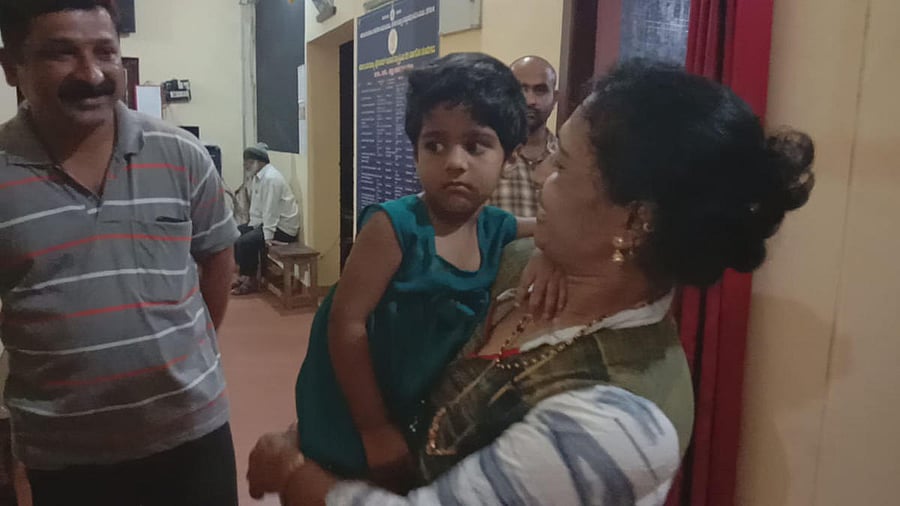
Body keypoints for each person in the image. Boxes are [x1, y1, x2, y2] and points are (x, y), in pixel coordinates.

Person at [248, 60, 815, 505]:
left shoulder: (617, 423)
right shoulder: (522, 264)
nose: (541, 182)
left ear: (635, 221)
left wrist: (294, 473)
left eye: (561, 167)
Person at [0, 2, 239, 505]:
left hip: (192, 437)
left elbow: (217, 260)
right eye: (62, 53)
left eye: (105, 52)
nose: (91, 74)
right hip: (64, 456)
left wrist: (180, 355)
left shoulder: (181, 155)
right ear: (11, 67)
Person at [291, 53, 543, 487]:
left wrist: (553, 254)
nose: (455, 162)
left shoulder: (495, 228)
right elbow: (345, 323)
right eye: (435, 145)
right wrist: (374, 428)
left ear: (510, 158)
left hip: (416, 411)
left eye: (476, 145)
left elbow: (552, 227)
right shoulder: (394, 227)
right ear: (416, 151)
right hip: (353, 409)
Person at [489, 55, 559, 217]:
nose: (530, 100)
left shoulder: (568, 160)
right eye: (521, 89)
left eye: (540, 90)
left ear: (555, 98)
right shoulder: (486, 155)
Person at [232, 142, 301, 295]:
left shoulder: (271, 179)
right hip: (269, 224)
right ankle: (244, 275)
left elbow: (271, 211)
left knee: (246, 242)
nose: (246, 166)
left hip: (283, 228)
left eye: (249, 162)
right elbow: (257, 208)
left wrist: (267, 237)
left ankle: (251, 281)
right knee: (235, 233)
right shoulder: (257, 178)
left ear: (259, 162)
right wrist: (252, 226)